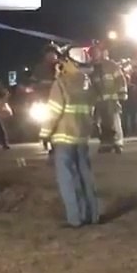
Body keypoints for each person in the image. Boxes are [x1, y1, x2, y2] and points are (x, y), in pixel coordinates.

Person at [38, 47, 101, 228]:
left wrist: (44, 134)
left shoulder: (62, 83)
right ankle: (92, 215)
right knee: (85, 175)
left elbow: (53, 112)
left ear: (70, 62)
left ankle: (75, 218)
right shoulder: (88, 83)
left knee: (67, 178)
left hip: (64, 137)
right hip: (82, 136)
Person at [89, 42, 127, 154]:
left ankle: (117, 142)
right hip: (98, 100)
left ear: (101, 53)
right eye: (93, 53)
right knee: (102, 122)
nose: (95, 54)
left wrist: (122, 94)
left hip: (112, 98)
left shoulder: (111, 65)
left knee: (114, 120)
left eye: (97, 52)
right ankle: (106, 143)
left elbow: (121, 79)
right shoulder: (90, 67)